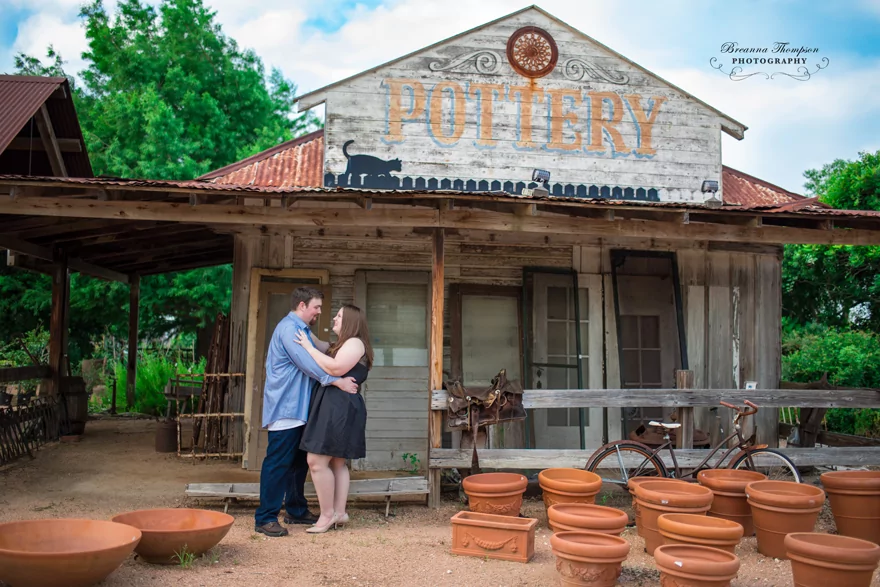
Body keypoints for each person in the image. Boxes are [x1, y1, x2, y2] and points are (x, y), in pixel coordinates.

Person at [254, 287, 359, 538]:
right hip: (286, 407)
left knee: (298, 463)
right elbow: (308, 364)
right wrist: (336, 382)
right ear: (302, 306)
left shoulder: (302, 330)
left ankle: (296, 509)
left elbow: (322, 349)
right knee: (278, 463)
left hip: (301, 408)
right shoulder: (289, 329)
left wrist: (351, 344)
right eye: (316, 307)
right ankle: (265, 517)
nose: (319, 312)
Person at [295, 303, 373, 533]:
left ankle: (328, 515)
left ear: (350, 321)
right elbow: (320, 344)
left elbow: (337, 368)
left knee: (316, 461)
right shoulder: (341, 344)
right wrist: (302, 326)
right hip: (337, 404)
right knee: (337, 461)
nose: (334, 318)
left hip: (339, 407)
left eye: (339, 316)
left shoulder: (355, 342)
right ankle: (339, 512)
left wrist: (308, 348)